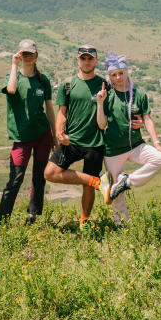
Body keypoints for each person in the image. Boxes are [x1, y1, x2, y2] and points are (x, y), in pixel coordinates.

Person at [95, 53, 161, 225]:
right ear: (110, 76)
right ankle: (122, 225)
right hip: (113, 149)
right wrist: (100, 103)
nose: (118, 77)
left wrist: (156, 143)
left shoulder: (139, 95)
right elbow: (101, 124)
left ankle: (127, 181)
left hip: (136, 145)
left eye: (121, 73)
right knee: (116, 194)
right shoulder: (109, 95)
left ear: (127, 71)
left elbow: (148, 120)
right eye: (114, 74)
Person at [44, 44, 106, 227]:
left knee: (88, 186)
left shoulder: (104, 84)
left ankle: (84, 222)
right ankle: (99, 182)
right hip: (71, 141)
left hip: (95, 142)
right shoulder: (68, 84)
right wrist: (58, 133)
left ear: (96, 61)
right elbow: (62, 113)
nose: (86, 62)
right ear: (78, 60)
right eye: (83, 58)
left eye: (90, 58)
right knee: (50, 173)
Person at [0, 40, 57, 225]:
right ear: (19, 55)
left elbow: (49, 109)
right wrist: (14, 65)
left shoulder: (43, 80)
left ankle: (33, 215)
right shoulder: (12, 76)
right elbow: (11, 89)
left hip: (42, 135)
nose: (28, 57)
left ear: (36, 55)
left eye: (31, 54)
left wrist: (54, 136)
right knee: (15, 179)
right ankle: (2, 219)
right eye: (24, 54)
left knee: (39, 177)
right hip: (21, 137)